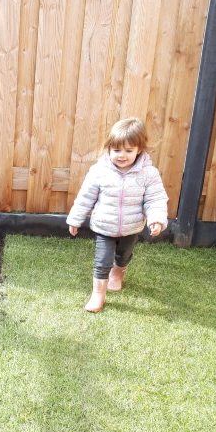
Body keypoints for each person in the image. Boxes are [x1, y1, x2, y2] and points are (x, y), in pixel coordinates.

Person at [66, 117, 168, 313]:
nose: (122, 155)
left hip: (132, 227)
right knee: (101, 261)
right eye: (117, 150)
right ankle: (98, 295)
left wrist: (156, 219)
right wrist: (75, 218)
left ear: (139, 150)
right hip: (105, 226)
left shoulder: (148, 174)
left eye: (129, 151)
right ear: (108, 149)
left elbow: (155, 199)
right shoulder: (99, 172)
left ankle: (118, 273)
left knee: (124, 255)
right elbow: (85, 197)